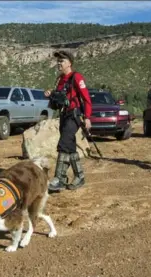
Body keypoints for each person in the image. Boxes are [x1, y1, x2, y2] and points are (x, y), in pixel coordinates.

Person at [44, 50, 92, 191]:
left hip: (74, 115)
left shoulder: (76, 77)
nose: (59, 63)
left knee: (64, 144)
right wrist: (51, 94)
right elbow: (60, 98)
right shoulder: (59, 79)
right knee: (70, 148)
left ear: (69, 63)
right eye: (58, 61)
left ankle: (59, 178)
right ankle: (79, 177)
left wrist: (88, 117)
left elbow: (86, 98)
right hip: (63, 115)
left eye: (62, 61)